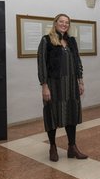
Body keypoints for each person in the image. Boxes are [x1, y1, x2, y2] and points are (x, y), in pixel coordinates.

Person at [37, 13, 88, 162]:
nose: (64, 24)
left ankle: (72, 147)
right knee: (52, 114)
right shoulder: (46, 40)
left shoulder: (71, 41)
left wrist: (80, 81)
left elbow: (77, 61)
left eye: (67, 22)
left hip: (71, 85)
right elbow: (41, 65)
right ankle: (52, 147)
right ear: (55, 23)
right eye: (61, 22)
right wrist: (44, 86)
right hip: (54, 85)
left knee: (71, 114)